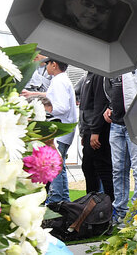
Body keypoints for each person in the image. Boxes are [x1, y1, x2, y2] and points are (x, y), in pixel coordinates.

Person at [21, 59, 76, 204]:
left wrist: (42, 109)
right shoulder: (60, 80)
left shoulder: (59, 81)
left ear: (54, 64)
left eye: (47, 64)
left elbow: (62, 107)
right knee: (60, 166)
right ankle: (63, 199)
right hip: (64, 129)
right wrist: (33, 94)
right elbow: (53, 96)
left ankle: (57, 199)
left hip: (60, 129)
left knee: (55, 165)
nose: (46, 67)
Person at [104, 72, 137, 225]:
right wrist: (110, 106)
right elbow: (110, 89)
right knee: (118, 170)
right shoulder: (113, 63)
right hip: (117, 123)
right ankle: (120, 212)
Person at [78, 72, 114, 201]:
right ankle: (91, 203)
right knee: (88, 167)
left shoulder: (99, 75)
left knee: (102, 168)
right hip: (88, 129)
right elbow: (84, 107)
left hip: (97, 129)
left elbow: (99, 104)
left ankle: (109, 204)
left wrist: (95, 131)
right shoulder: (87, 76)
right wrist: (84, 132)